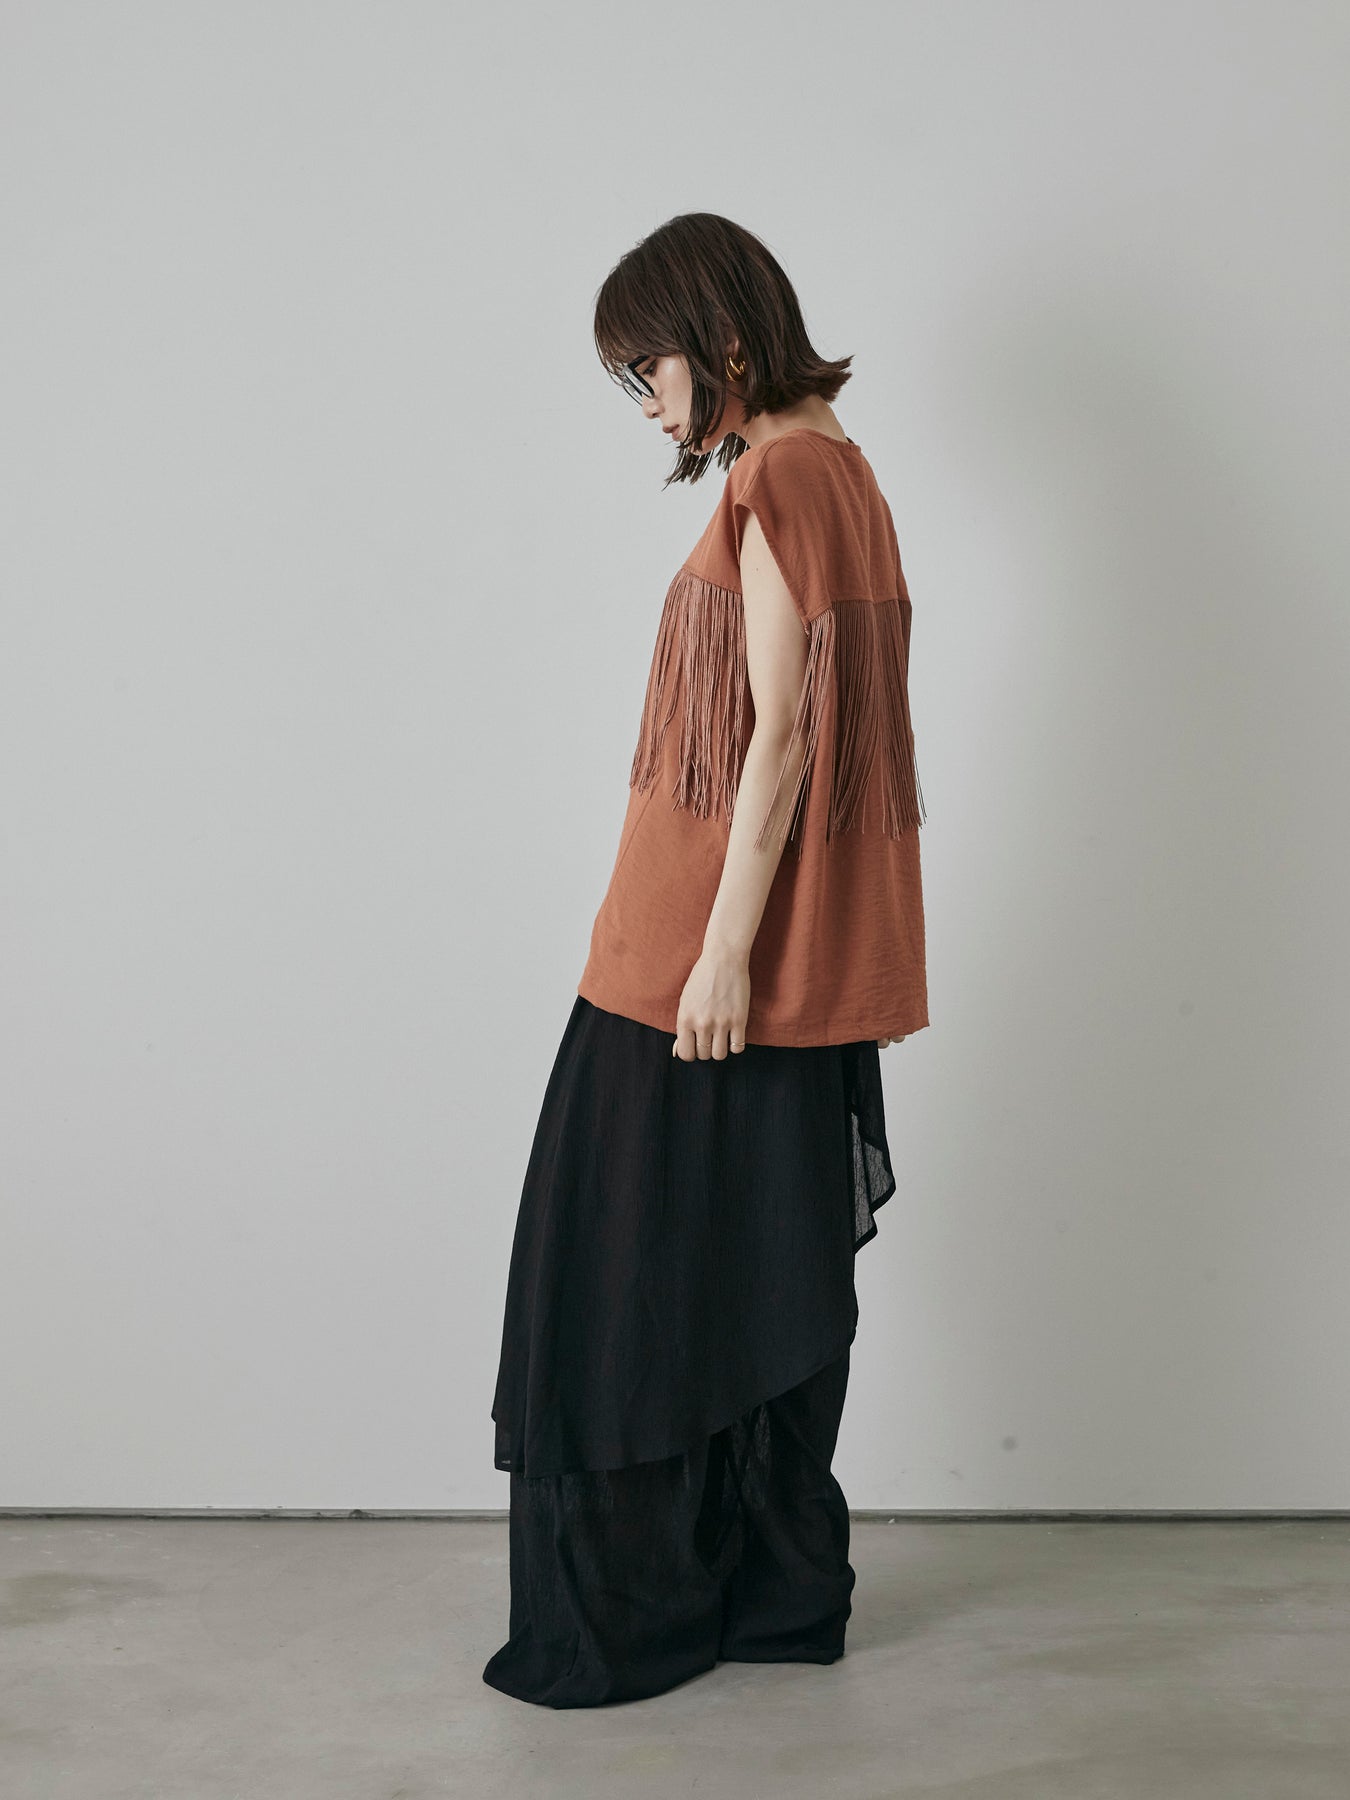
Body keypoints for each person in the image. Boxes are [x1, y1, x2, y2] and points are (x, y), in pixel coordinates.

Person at [483, 212, 929, 1708]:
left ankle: (630, 1615)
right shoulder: (842, 470)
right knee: (747, 1267)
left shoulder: (781, 476)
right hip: (774, 962)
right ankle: (764, 1594)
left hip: (695, 958)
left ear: (725, 340)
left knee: (611, 1275)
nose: (648, 404)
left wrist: (722, 956)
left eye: (650, 369)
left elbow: (784, 737)